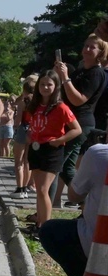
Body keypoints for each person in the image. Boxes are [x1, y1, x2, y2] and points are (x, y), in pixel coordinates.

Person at [40, 134, 108, 276]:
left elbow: (74, 196)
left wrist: (82, 169)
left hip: (99, 246)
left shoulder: (98, 153)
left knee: (49, 230)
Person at [52, 34, 107, 207]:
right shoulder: (82, 71)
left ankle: (46, 208)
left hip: (80, 124)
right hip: (71, 121)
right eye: (86, 45)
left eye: (92, 47)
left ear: (100, 52)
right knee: (68, 168)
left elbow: (78, 99)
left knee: (55, 164)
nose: (87, 49)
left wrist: (66, 77)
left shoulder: (96, 73)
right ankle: (85, 203)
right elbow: (65, 94)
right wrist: (60, 76)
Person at [26, 70, 81, 236]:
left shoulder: (61, 107)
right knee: (39, 191)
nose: (45, 87)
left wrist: (59, 140)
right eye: (42, 84)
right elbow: (32, 124)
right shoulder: (34, 105)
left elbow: (76, 130)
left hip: (52, 150)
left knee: (43, 190)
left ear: (56, 86)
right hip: (36, 148)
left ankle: (45, 229)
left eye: (49, 84)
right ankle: (40, 224)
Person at [11, 75, 37, 199]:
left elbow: (18, 120)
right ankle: (26, 188)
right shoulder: (37, 103)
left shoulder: (23, 102)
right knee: (27, 162)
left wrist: (15, 127)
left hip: (23, 129)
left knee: (18, 162)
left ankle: (19, 188)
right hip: (33, 131)